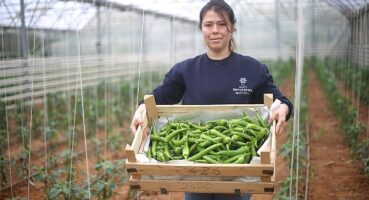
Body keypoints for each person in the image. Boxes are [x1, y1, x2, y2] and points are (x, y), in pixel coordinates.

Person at [130, 0, 293, 199]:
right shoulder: (186, 70)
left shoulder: (252, 69)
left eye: (222, 24)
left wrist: (283, 108)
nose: (215, 30)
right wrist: (141, 110)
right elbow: (160, 96)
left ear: (232, 27)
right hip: (194, 165)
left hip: (238, 163)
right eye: (208, 25)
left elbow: (278, 98)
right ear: (201, 29)